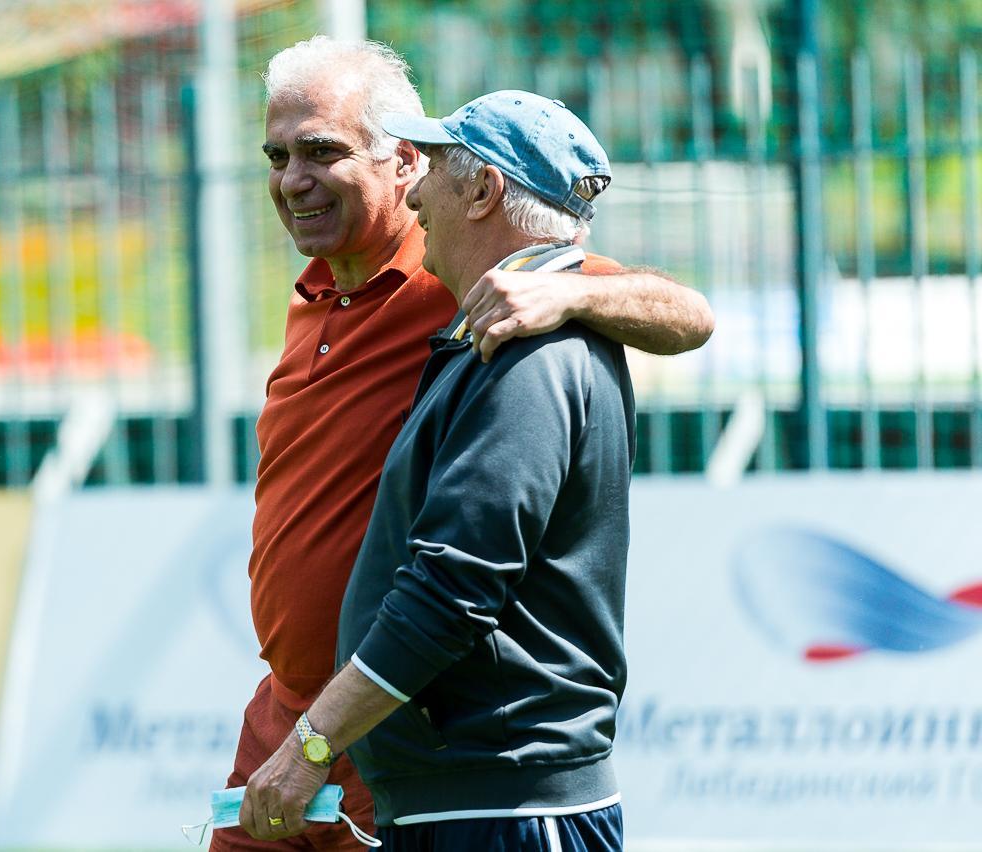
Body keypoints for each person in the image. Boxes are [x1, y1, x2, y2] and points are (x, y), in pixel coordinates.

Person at [216, 37, 712, 852]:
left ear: (406, 165)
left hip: (381, 725)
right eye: (277, 156)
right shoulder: (313, 293)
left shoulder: (469, 279)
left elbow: (689, 315)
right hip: (288, 714)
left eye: (322, 152)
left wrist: (565, 295)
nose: (292, 178)